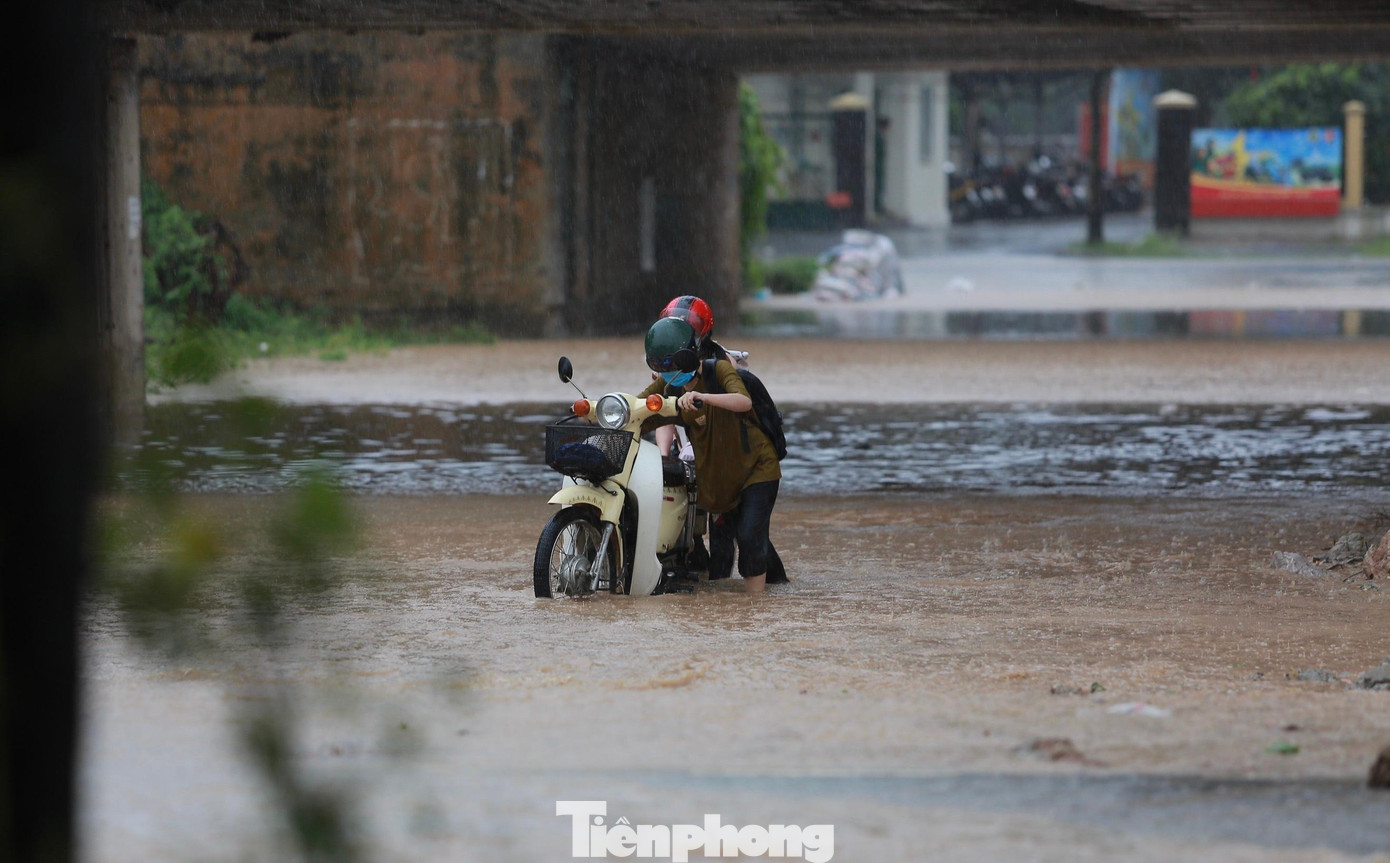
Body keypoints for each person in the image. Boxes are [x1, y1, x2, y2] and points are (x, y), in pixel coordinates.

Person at [640, 303, 785, 593]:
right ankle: (724, 597)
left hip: (755, 465)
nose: (665, 375)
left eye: (670, 366)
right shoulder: (668, 381)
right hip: (716, 469)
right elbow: (642, 406)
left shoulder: (719, 367)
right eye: (660, 368)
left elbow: (743, 401)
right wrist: (598, 410)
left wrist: (703, 398)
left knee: (749, 535)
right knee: (728, 535)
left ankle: (755, 609)